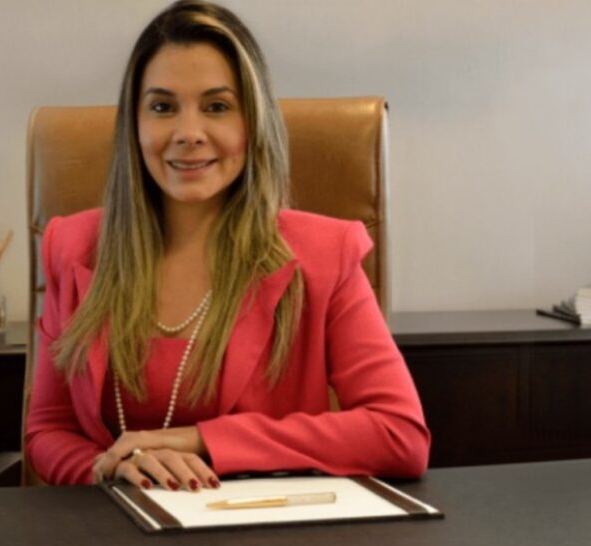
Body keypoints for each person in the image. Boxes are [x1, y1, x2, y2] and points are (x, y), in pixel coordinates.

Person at [25, 0, 430, 491]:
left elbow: (399, 434)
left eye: (217, 107)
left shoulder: (327, 255)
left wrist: (202, 441)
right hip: (117, 519)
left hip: (261, 521)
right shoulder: (72, 248)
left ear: (252, 122)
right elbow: (48, 429)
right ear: (134, 125)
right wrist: (107, 469)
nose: (188, 134)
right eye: (162, 107)